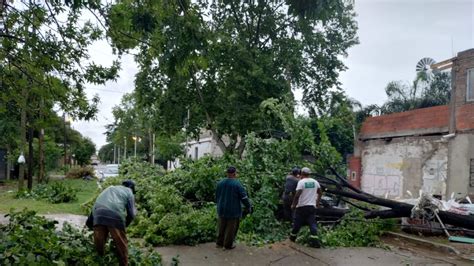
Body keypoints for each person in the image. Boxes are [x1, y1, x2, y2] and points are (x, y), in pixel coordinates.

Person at [92, 180, 136, 266]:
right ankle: (124, 264)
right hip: (115, 216)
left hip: (98, 214)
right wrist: (124, 226)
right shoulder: (129, 192)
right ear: (131, 188)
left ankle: (99, 262)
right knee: (121, 245)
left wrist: (92, 224)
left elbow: (96, 205)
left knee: (99, 245)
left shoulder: (110, 188)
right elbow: (132, 214)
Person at [216, 166, 252, 250]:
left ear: (227, 173)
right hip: (233, 210)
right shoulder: (237, 184)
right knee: (231, 229)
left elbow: (217, 196)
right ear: (234, 173)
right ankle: (227, 245)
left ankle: (219, 243)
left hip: (221, 208)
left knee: (221, 226)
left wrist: (219, 204)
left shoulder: (220, 183)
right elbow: (244, 198)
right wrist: (248, 206)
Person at [290, 167, 322, 248]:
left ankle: (291, 240)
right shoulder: (315, 182)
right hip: (312, 207)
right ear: (309, 174)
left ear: (301, 174)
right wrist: (317, 203)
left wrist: (293, 205)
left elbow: (297, 195)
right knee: (312, 224)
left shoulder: (301, 182)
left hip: (302, 207)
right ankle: (315, 242)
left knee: (297, 224)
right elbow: (320, 193)